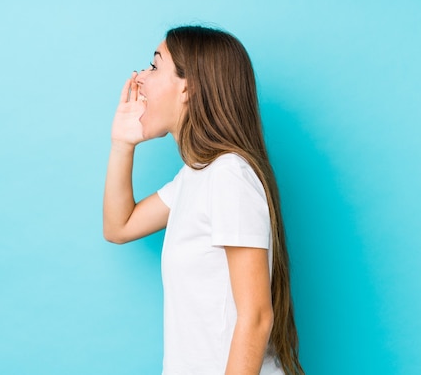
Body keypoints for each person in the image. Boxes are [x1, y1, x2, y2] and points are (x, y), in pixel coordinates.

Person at [103, 25, 304, 375]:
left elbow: (256, 317)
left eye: (154, 66)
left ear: (188, 86)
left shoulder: (229, 175)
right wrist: (122, 144)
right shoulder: (195, 177)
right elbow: (119, 226)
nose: (139, 79)